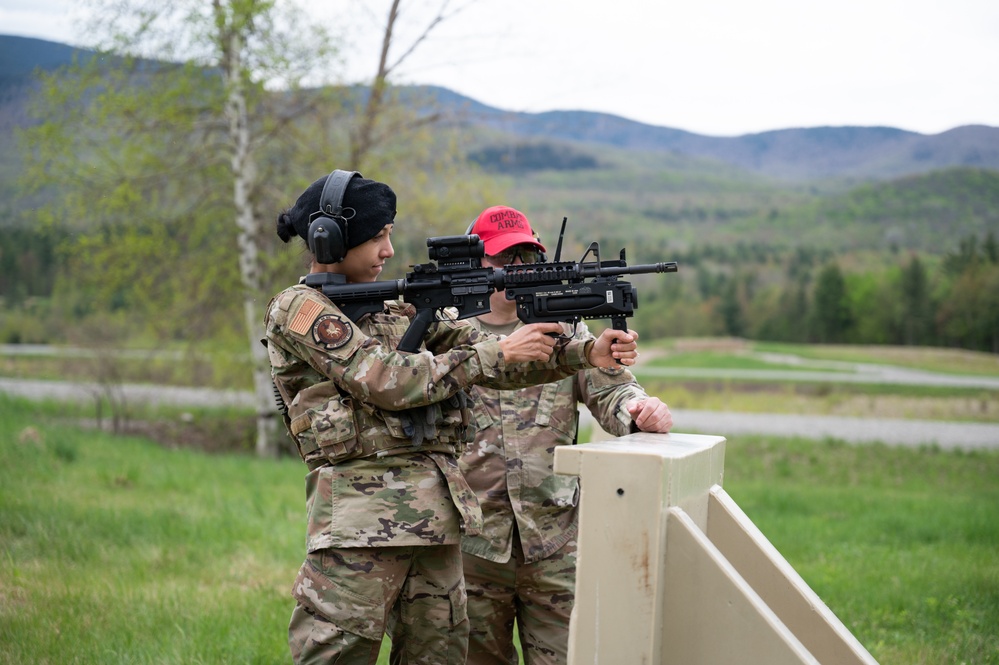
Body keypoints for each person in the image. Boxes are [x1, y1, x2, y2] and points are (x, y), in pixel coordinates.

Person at [264, 171, 644, 665]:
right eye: (377, 237)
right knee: (338, 653)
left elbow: (486, 355)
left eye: (389, 235)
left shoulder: (395, 307)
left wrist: (585, 352)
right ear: (329, 238)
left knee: (439, 655)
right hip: (359, 525)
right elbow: (384, 378)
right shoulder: (299, 309)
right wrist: (496, 355)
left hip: (437, 521)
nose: (387, 250)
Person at [459, 205, 674, 665]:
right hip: (471, 545)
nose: (517, 270)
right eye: (503, 260)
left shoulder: (564, 328)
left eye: (526, 257)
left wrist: (638, 411)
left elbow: (614, 392)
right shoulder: (446, 337)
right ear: (475, 264)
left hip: (552, 541)